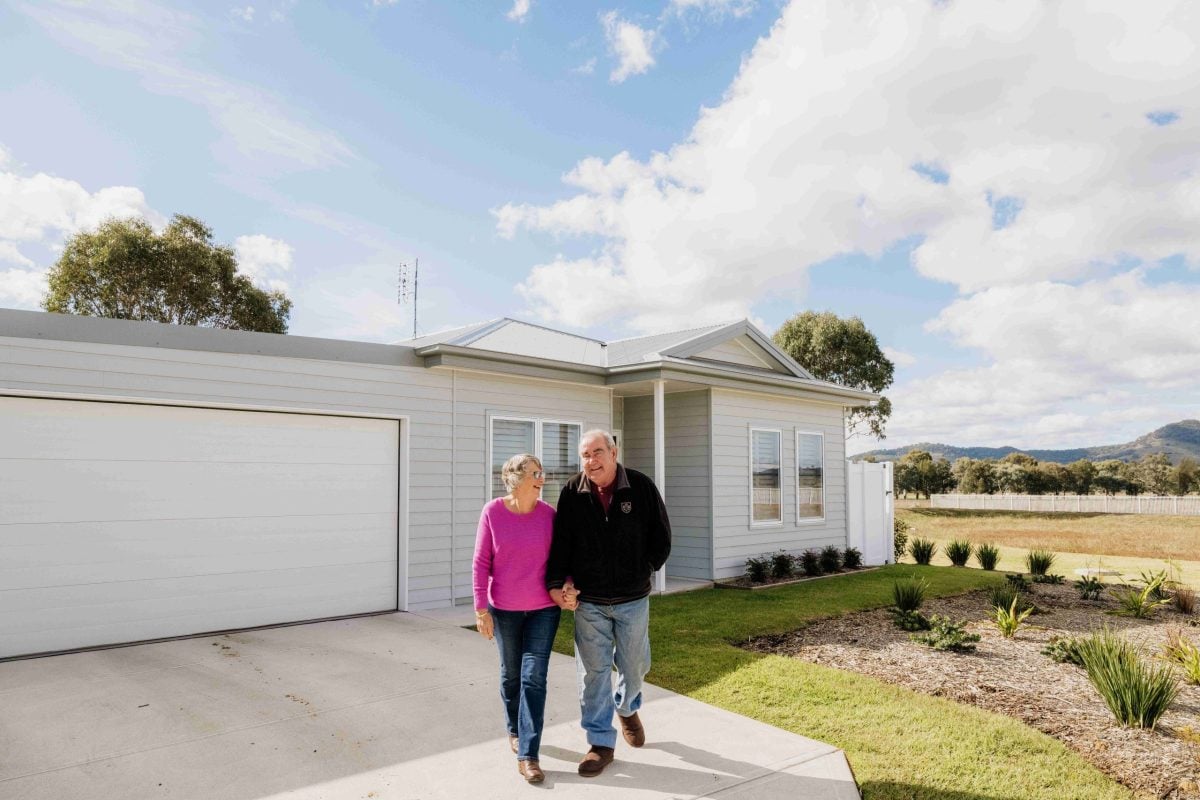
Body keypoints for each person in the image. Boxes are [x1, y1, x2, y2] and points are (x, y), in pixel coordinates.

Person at [545, 429, 671, 777]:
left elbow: (661, 536)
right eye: (585, 455)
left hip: (633, 598)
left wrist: (642, 569)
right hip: (590, 601)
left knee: (634, 664)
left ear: (613, 452)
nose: (591, 461)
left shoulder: (641, 487)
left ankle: (627, 707)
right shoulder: (573, 491)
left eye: (597, 452)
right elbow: (562, 543)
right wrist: (558, 583)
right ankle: (600, 743)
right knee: (593, 673)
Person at [472, 453, 565, 784]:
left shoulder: (549, 516)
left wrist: (567, 587)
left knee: (533, 678)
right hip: (505, 610)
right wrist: (481, 610)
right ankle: (514, 728)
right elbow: (481, 562)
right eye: (536, 473)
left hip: (543, 609)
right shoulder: (493, 512)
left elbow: (561, 562)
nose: (543, 478)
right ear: (517, 478)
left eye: (543, 473)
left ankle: (529, 754)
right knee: (511, 675)